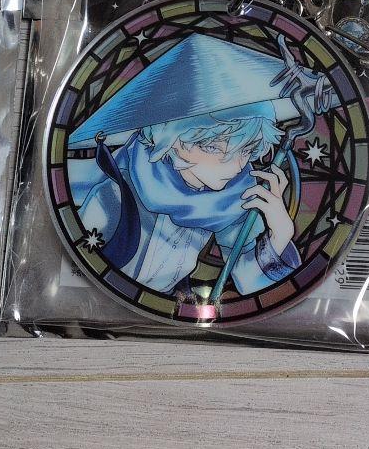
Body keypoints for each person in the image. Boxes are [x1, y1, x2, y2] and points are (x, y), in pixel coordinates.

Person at [67, 34, 308, 297]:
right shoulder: (116, 192)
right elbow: (76, 268)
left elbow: (252, 285)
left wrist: (280, 233)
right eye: (213, 148)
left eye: (246, 150)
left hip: (170, 308)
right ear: (173, 139)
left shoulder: (234, 200)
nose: (236, 166)